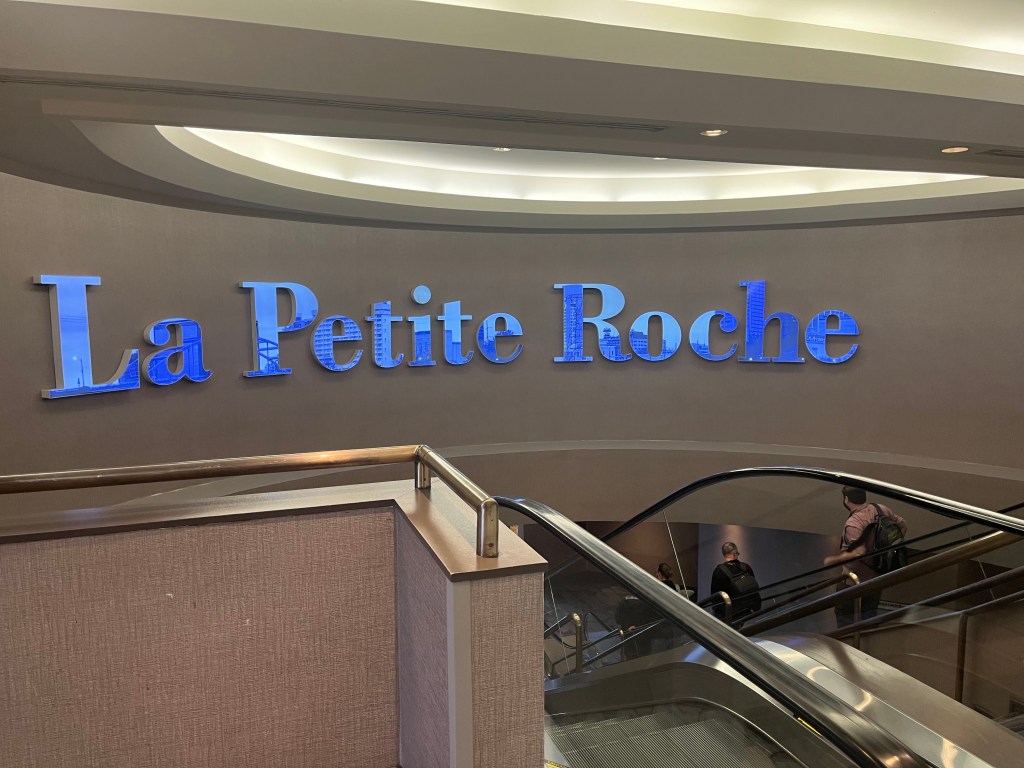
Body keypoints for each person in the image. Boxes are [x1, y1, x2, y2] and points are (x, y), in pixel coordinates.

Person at [824, 486, 908, 627]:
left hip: (853, 581)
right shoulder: (880, 509)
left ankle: (847, 643)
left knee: (845, 615)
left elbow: (858, 553)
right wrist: (890, 549)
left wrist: (833, 560)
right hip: (877, 574)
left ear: (846, 499)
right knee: (869, 614)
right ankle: (867, 641)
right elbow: (903, 524)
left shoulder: (854, 523)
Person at [709, 542, 761, 621]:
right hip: (750, 612)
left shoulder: (719, 571)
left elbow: (715, 597)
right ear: (735, 553)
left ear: (724, 554)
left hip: (731, 615)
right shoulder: (746, 567)